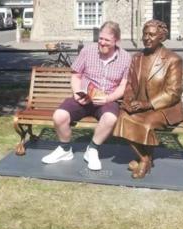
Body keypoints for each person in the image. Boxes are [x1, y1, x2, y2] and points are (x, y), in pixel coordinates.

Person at [41, 21, 131, 171]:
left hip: (107, 99)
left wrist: (108, 98)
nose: (102, 43)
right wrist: (77, 93)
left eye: (107, 40)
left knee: (110, 118)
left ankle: (92, 149)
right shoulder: (88, 51)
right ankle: (64, 150)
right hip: (84, 98)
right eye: (100, 38)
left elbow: (123, 86)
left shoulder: (126, 58)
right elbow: (76, 76)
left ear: (117, 41)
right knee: (59, 116)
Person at [113, 19, 183, 179]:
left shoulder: (173, 60)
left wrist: (147, 104)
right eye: (145, 34)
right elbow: (130, 84)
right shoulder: (137, 58)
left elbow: (174, 92)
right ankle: (145, 158)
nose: (147, 38)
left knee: (145, 123)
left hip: (164, 108)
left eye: (151, 34)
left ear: (161, 37)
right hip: (140, 106)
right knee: (122, 118)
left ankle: (144, 162)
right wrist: (129, 100)